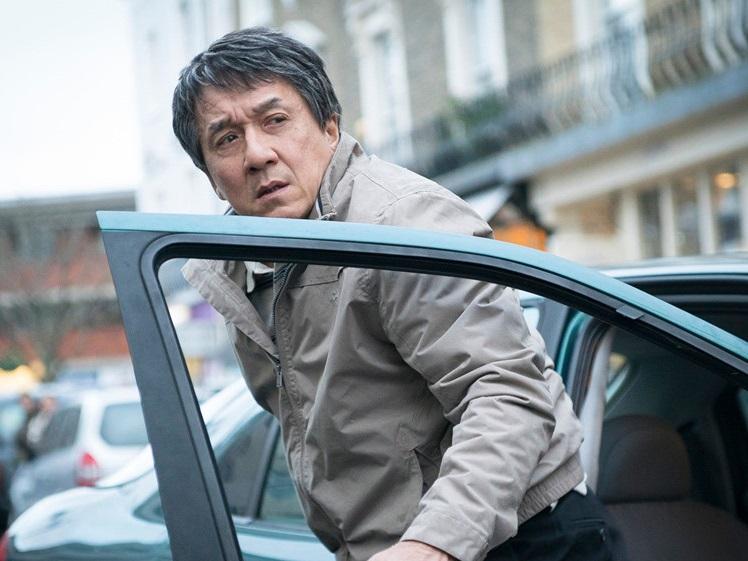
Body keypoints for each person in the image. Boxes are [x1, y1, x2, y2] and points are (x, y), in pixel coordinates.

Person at [174, 27, 625, 561]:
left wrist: (432, 545)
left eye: (275, 120)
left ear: (330, 127)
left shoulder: (401, 226)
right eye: (226, 139)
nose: (257, 154)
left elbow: (507, 395)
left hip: (524, 538)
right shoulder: (237, 272)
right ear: (211, 176)